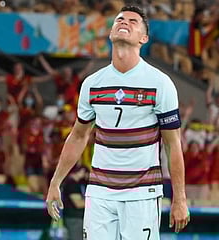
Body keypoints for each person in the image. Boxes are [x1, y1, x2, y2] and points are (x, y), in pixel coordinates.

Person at [46, 6, 190, 240]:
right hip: (99, 192)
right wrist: (56, 182)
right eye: (120, 19)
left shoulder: (160, 83)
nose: (124, 22)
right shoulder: (93, 84)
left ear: (144, 38)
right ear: (111, 31)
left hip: (142, 194)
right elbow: (79, 135)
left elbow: (173, 145)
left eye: (133, 21)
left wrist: (179, 198)